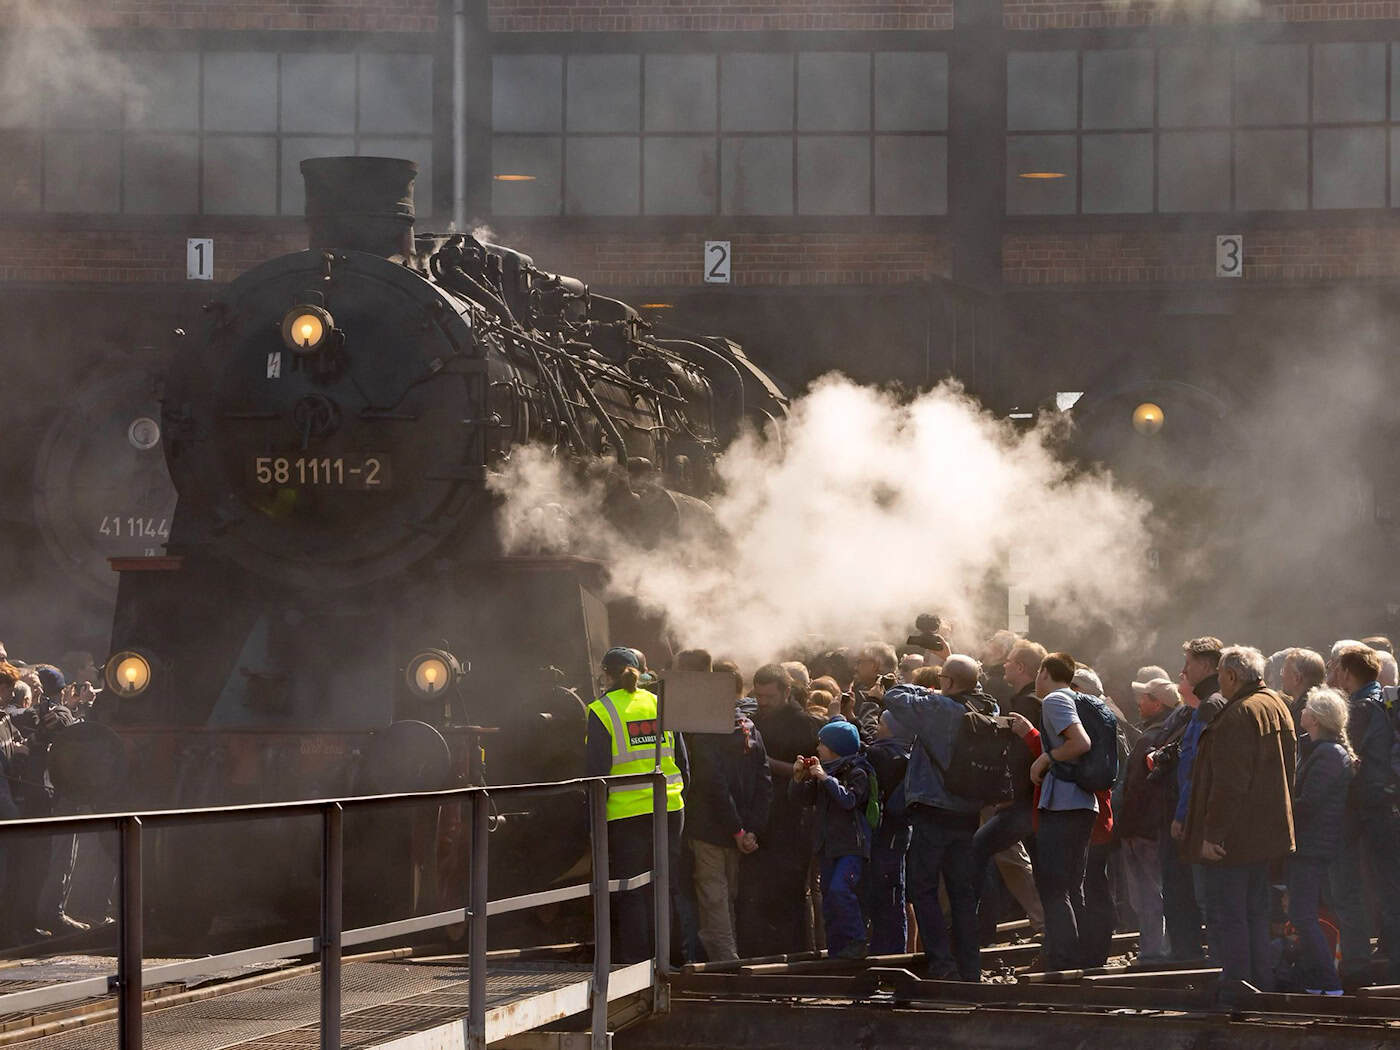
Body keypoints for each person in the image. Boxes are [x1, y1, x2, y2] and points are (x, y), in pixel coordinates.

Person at [1182, 645, 1296, 1007]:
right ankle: (1260, 984)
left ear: (1230, 676)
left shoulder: (1237, 715)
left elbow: (1229, 785)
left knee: (1229, 915)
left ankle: (1238, 989)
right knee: (1256, 914)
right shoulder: (1277, 704)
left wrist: (1210, 835)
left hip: (1233, 839)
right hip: (1265, 833)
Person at [585, 647, 688, 964]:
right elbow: (683, 761)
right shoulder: (660, 704)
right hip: (669, 810)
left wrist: (591, 819)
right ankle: (670, 958)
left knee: (631, 890)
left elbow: (596, 772)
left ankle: (637, 963)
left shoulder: (602, 710)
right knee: (664, 885)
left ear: (606, 674)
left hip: (625, 814)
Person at [883, 678, 983, 982]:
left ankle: (942, 964)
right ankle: (971, 968)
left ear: (949, 681)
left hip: (933, 810)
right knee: (962, 894)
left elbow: (893, 696)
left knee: (923, 889)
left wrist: (925, 690)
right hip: (967, 812)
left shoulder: (937, 707)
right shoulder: (986, 707)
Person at [737, 663, 823, 957]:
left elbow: (810, 772)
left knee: (789, 893)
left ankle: (796, 955)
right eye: (758, 696)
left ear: (787, 692)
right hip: (759, 819)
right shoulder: (754, 720)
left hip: (791, 820)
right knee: (756, 892)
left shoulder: (805, 724)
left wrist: (764, 761)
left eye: (769, 697)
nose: (762, 703)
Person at [686, 674, 773, 963]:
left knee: (715, 894)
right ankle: (730, 951)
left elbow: (714, 786)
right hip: (742, 829)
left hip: (712, 829)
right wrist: (752, 830)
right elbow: (765, 781)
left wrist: (738, 829)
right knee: (729, 894)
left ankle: (724, 957)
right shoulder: (751, 729)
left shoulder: (705, 735)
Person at [1329, 645, 1400, 984]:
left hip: (1362, 807)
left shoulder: (1357, 709)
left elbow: (1347, 762)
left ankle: (1359, 964)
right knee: (1388, 884)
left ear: (1346, 672)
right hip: (1384, 804)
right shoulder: (1385, 703)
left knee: (1351, 886)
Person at [1028, 652, 1097, 971]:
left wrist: (1046, 759)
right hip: (1082, 802)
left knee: (1053, 884)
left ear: (1043, 672)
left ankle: (1062, 958)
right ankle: (1078, 955)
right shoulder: (1079, 698)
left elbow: (1080, 743)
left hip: (1064, 803)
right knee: (1070, 885)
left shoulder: (1055, 699)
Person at [790, 720, 873, 959]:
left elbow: (849, 801)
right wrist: (799, 778)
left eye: (822, 744)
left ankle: (857, 940)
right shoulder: (827, 771)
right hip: (828, 846)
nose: (817, 748)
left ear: (835, 747)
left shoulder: (858, 771)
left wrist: (825, 778)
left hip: (850, 846)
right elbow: (802, 799)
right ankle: (837, 950)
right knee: (829, 898)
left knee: (840, 890)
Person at [1289, 686, 1353, 995]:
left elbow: (1309, 803)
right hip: (1315, 845)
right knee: (1305, 914)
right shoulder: (1325, 751)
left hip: (1313, 847)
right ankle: (1317, 979)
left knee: (1302, 915)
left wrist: (1283, 808)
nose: (1301, 710)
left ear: (1315, 718)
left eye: (1307, 708)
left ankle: (1328, 982)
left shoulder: (1327, 754)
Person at [1113, 676, 1181, 962]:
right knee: (1152, 893)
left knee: (1147, 895)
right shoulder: (1162, 733)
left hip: (1143, 829)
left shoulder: (1151, 737)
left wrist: (1127, 825)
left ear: (1157, 703)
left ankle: (1153, 951)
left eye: (1145, 698)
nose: (1139, 702)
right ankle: (1157, 948)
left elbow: (1138, 789)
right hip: (1151, 827)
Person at [866, 709, 913, 955]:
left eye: (882, 723)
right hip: (900, 831)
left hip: (890, 832)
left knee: (890, 891)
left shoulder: (888, 756)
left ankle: (891, 951)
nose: (877, 727)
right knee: (894, 891)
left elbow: (861, 745)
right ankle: (891, 948)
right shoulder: (907, 754)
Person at [1280, 648, 1326, 725]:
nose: (1281, 675)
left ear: (1296, 678)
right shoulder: (1325, 708)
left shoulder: (1305, 716)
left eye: (1284, 671)